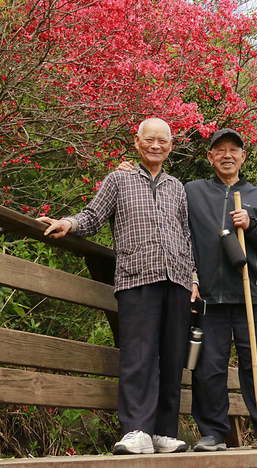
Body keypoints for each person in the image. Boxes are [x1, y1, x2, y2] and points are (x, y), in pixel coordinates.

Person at [37, 118, 196, 455]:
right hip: (137, 277)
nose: (156, 146)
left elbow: (186, 234)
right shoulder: (119, 179)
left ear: (171, 145)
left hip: (178, 279)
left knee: (172, 358)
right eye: (149, 139)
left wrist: (193, 277)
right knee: (138, 355)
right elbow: (93, 216)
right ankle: (137, 429)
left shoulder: (177, 187)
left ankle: (164, 432)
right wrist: (69, 222)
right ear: (137, 142)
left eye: (162, 141)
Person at [184, 128, 257, 451]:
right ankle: (213, 433)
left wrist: (251, 225)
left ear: (243, 156)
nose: (227, 155)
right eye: (220, 149)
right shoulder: (193, 192)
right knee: (210, 366)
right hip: (209, 297)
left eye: (233, 150)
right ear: (210, 156)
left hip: (251, 293)